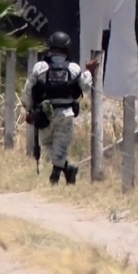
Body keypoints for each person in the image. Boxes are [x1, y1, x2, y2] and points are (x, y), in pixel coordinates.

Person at [23, 31, 94, 186]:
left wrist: (28, 110)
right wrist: (89, 71)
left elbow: (28, 90)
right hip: (66, 114)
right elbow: (86, 86)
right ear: (67, 48)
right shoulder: (74, 68)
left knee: (47, 147)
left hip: (44, 115)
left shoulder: (40, 67)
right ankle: (68, 169)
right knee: (60, 147)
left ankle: (54, 178)